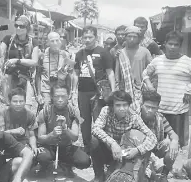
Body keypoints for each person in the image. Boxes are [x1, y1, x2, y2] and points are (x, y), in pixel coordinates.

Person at [91, 90, 157, 182]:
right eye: (118, 105)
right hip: (108, 149)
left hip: (125, 154)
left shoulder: (133, 117)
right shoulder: (106, 111)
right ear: (112, 106)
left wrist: (137, 150)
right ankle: (99, 176)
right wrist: (112, 143)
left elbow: (152, 138)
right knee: (94, 141)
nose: (122, 108)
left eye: (125, 105)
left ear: (129, 105)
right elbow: (95, 129)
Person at [143, 31, 191, 148]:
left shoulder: (187, 62)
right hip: (160, 110)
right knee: (158, 142)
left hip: (178, 110)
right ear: (165, 44)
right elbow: (145, 73)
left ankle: (176, 165)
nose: (173, 47)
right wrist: (149, 85)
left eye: (176, 44)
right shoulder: (158, 61)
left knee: (177, 143)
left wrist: (189, 90)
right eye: (170, 44)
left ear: (180, 46)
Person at [72, 25, 116, 154]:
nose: (87, 40)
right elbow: (75, 73)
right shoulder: (79, 54)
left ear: (95, 38)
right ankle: (87, 147)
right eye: (85, 37)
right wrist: (73, 91)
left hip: (98, 93)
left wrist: (113, 91)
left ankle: (99, 148)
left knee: (99, 121)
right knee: (84, 121)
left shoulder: (103, 52)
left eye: (90, 37)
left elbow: (110, 72)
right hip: (82, 92)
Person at [37, 85, 90, 177]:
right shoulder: (44, 112)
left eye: (63, 96)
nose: (60, 99)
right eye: (57, 96)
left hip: (66, 147)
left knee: (84, 161)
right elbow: (40, 138)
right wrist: (51, 135)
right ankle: (47, 166)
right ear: (52, 97)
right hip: (49, 146)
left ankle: (65, 165)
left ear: (68, 96)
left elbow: (75, 138)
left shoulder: (73, 111)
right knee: (42, 157)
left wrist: (65, 129)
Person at [0, 15, 40, 106]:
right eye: (16, 25)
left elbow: (34, 62)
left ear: (27, 28)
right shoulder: (8, 39)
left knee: (26, 106)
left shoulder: (33, 42)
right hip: (9, 77)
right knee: (9, 105)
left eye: (21, 26)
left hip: (26, 77)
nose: (18, 28)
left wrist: (17, 61)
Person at [141, 91, 179, 182]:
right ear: (141, 104)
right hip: (140, 149)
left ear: (157, 108)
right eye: (147, 106)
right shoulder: (135, 117)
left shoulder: (160, 118)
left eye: (153, 108)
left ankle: (163, 175)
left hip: (155, 148)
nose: (149, 110)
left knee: (171, 145)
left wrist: (174, 141)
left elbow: (173, 134)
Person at [114, 26, 152, 113]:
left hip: (141, 90)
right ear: (125, 37)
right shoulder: (120, 53)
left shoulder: (145, 52)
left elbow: (151, 70)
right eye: (129, 36)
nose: (131, 39)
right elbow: (117, 74)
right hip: (125, 90)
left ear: (139, 38)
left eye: (134, 37)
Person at [0, 88, 38, 152]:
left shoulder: (30, 115)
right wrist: (12, 131)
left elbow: (32, 135)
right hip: (4, 143)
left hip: (21, 143)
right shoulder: (2, 114)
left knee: (32, 154)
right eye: (15, 101)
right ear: (9, 102)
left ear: (25, 101)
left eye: (21, 101)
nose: (18, 104)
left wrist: (34, 147)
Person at [41, 32, 73, 105]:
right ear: (48, 42)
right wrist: (39, 94)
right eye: (52, 41)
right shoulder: (42, 55)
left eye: (57, 40)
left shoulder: (67, 55)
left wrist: (70, 91)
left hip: (60, 90)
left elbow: (70, 74)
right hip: (46, 90)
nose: (55, 43)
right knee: (47, 113)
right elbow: (37, 75)